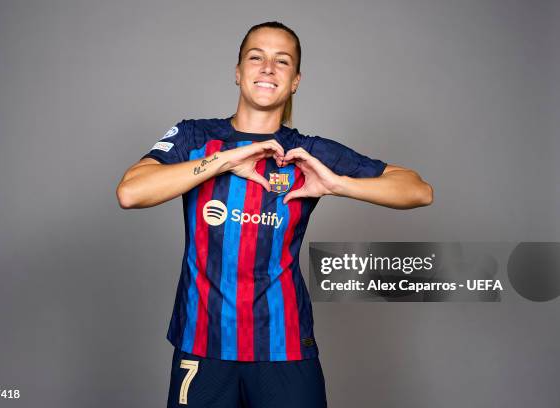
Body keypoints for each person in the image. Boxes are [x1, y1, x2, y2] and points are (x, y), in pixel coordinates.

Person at [116, 21, 433, 408]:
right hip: (201, 347)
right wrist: (223, 161)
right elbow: (131, 192)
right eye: (256, 57)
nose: (268, 68)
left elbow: (418, 190)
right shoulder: (194, 137)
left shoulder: (306, 151)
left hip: (284, 348)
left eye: (281, 61)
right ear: (237, 72)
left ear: (295, 80)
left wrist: (337, 184)